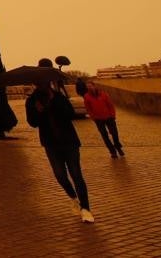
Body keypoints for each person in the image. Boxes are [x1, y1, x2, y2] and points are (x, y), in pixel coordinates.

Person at [27, 59, 93, 223]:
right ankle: (73, 198)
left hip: (69, 141)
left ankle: (86, 208)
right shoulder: (32, 101)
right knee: (60, 175)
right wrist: (40, 112)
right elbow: (32, 122)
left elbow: (70, 114)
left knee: (76, 174)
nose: (40, 85)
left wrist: (55, 102)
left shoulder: (58, 96)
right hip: (50, 144)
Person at [81, 80, 123, 158]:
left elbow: (110, 105)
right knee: (104, 135)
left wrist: (112, 115)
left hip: (109, 117)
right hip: (98, 119)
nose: (89, 88)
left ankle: (118, 146)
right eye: (88, 87)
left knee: (114, 133)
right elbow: (88, 108)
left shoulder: (103, 94)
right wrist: (93, 117)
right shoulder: (86, 96)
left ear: (94, 86)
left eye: (90, 86)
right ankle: (112, 151)